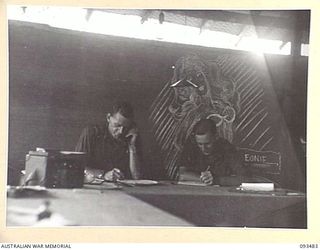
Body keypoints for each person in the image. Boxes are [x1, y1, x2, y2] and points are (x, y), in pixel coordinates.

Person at [75, 101, 142, 183]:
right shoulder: (91, 133)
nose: (121, 131)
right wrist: (103, 175)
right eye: (117, 125)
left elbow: (137, 177)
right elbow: (78, 167)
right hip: (94, 188)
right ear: (108, 117)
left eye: (126, 127)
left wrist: (132, 147)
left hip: (122, 190)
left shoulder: (131, 136)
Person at [178, 118, 243, 186]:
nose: (203, 148)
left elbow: (243, 178)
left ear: (216, 137)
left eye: (208, 144)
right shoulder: (191, 146)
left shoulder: (228, 149)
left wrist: (217, 180)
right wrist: (205, 179)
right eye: (200, 144)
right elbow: (182, 174)